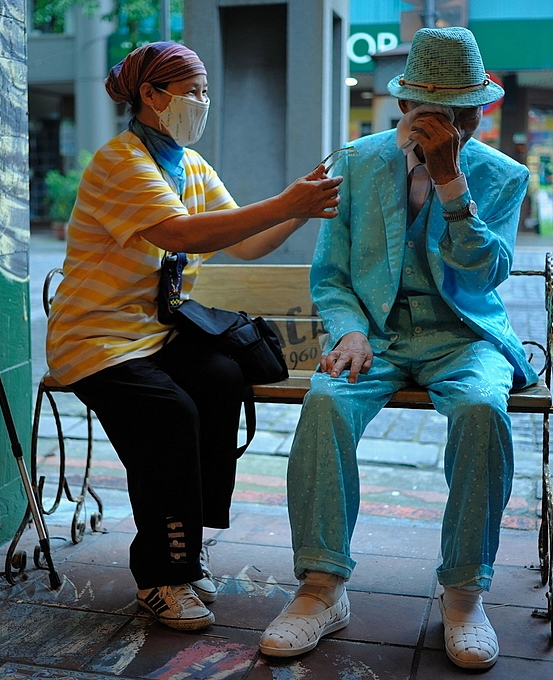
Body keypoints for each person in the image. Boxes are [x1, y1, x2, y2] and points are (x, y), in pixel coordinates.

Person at [259, 27, 538, 670]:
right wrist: (349, 331)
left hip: (463, 335)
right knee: (326, 402)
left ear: (479, 111)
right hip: (374, 336)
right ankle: (322, 587)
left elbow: (485, 277)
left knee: (481, 410)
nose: (446, 127)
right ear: (405, 106)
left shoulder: (501, 176)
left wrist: (451, 184)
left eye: (462, 113)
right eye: (433, 112)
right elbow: (331, 276)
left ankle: (463, 594)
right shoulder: (356, 161)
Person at [46, 42, 342, 632]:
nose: (202, 102)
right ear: (150, 96)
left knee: (221, 377)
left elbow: (245, 243)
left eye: (206, 91)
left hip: (154, 335)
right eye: (191, 92)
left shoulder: (192, 166)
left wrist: (301, 209)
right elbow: (180, 233)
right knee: (168, 414)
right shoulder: (120, 161)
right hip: (96, 338)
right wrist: (284, 201)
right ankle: (160, 575)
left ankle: (186, 545)